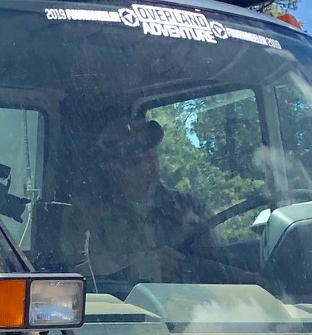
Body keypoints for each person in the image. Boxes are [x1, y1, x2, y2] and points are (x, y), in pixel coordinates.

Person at [74, 113, 216, 288]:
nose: (149, 159)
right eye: (136, 157)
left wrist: (183, 268)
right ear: (110, 166)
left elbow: (221, 264)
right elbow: (76, 275)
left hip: (194, 310)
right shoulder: (84, 213)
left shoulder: (190, 206)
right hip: (118, 311)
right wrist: (139, 268)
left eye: (151, 151)